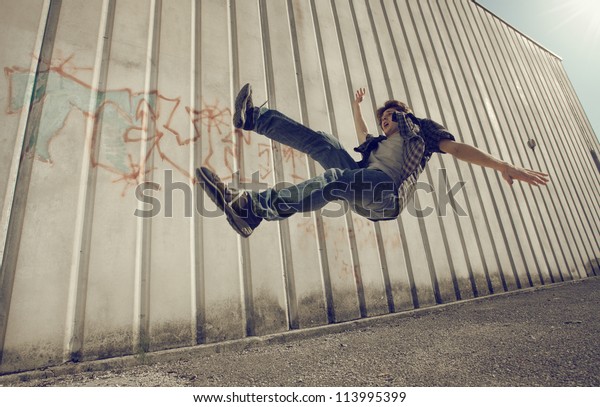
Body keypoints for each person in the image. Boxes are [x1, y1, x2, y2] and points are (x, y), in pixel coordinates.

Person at [196, 84, 549, 237]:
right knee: (326, 143)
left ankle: (253, 209)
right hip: (365, 183)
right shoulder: (378, 143)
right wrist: (357, 108)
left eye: (391, 116)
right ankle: (254, 118)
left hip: (386, 195)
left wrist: (502, 164)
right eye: (383, 119)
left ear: (404, 115)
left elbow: (456, 150)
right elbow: (363, 131)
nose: (385, 122)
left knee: (336, 178)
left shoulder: (422, 132)